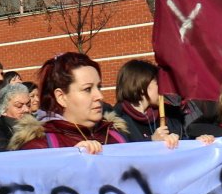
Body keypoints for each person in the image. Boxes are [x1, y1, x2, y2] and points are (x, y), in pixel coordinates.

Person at [19, 52, 170, 152]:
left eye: (99, 87)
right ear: (61, 97)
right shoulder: (39, 148)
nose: (99, 96)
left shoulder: (116, 136)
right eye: (87, 89)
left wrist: (159, 151)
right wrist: (69, 164)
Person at [105, 59, 180, 143]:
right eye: (158, 84)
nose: (163, 89)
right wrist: (151, 140)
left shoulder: (170, 116)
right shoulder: (116, 122)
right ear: (141, 85)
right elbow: (123, 153)